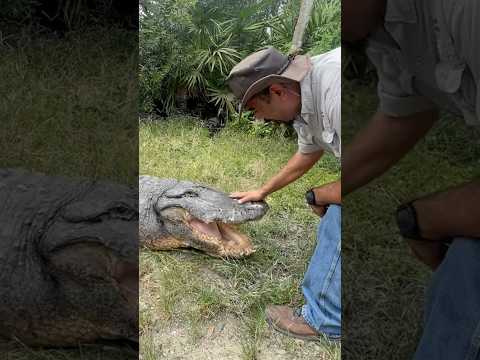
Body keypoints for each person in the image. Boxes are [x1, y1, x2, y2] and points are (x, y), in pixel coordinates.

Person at [341, 0, 479, 358]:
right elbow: (405, 112)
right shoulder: (381, 28)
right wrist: (327, 188)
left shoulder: (465, 12)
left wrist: (422, 218)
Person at [226, 46, 342, 341]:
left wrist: (321, 195)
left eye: (255, 109)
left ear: (277, 91)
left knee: (338, 216)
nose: (259, 119)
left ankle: (324, 319)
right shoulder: (302, 99)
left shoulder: (335, 90)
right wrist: (263, 190)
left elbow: (372, 171)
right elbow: (308, 151)